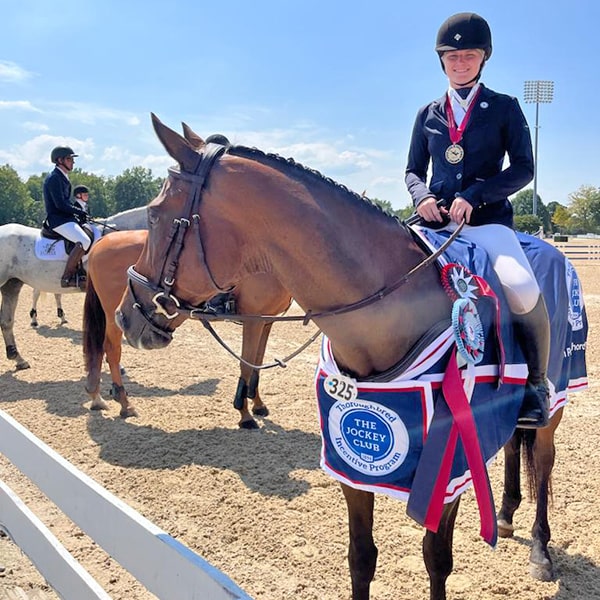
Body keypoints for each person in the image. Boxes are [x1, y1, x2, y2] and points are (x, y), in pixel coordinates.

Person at [405, 12, 549, 428]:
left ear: (482, 59)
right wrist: (423, 196)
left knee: (521, 288)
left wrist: (475, 195)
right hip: (434, 223)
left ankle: (535, 387)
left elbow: (524, 168)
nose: (460, 63)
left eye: (468, 55)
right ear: (443, 61)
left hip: (487, 223)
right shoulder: (427, 113)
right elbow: (413, 170)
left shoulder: (504, 107)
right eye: (452, 56)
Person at [43, 147, 90, 289]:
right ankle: (67, 277)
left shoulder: (63, 177)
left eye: (72, 159)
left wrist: (77, 214)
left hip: (65, 218)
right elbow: (60, 204)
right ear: (59, 160)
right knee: (84, 240)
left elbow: (66, 203)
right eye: (70, 159)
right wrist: (79, 212)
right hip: (57, 219)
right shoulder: (54, 178)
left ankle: (81, 270)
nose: (73, 162)